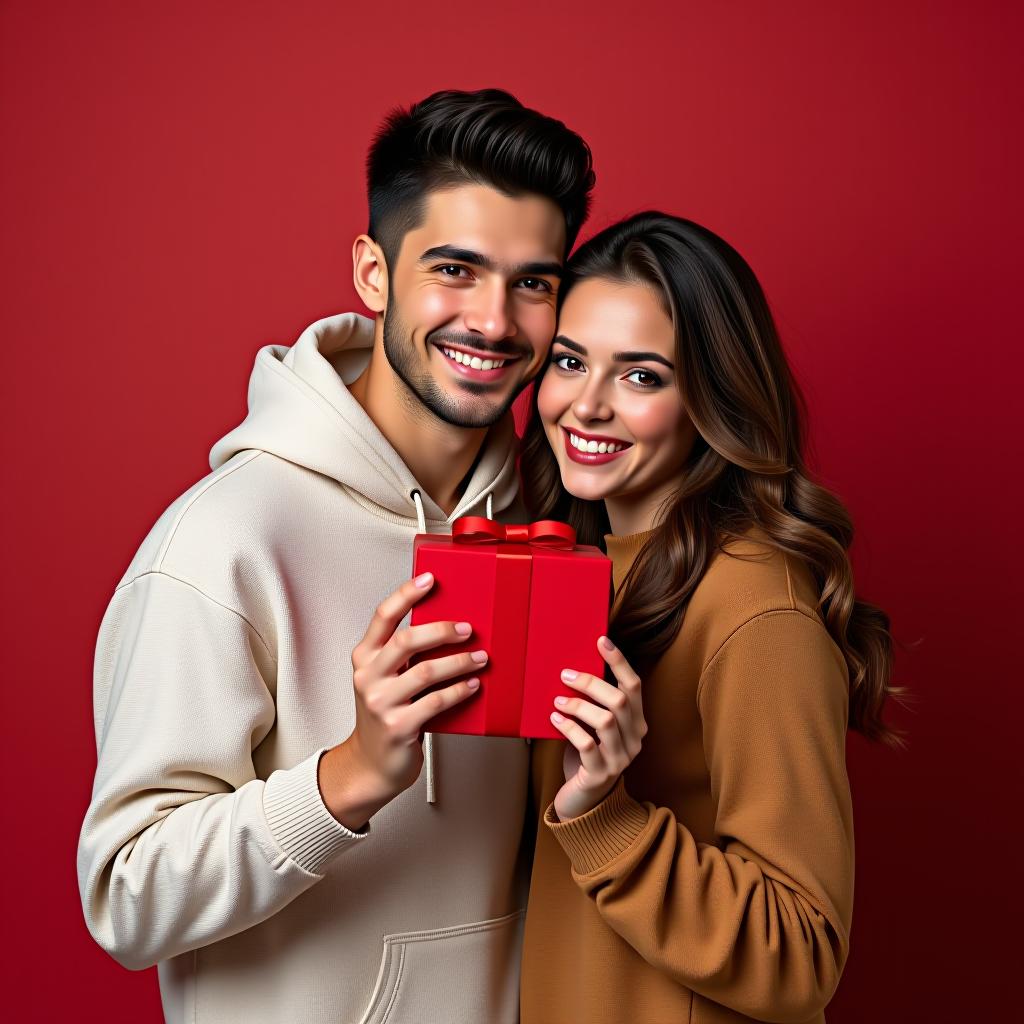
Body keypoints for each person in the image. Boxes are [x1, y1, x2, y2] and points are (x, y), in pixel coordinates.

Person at [76, 88, 594, 1024]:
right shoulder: (223, 542)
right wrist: (349, 775)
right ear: (372, 272)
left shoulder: (551, 514)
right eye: (454, 270)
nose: (493, 321)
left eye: (533, 282)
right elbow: (126, 896)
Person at [516, 212, 902, 1023]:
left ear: (711, 398)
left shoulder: (757, 604)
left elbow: (801, 954)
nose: (586, 407)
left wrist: (605, 815)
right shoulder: (569, 574)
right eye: (570, 361)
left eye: (641, 376)